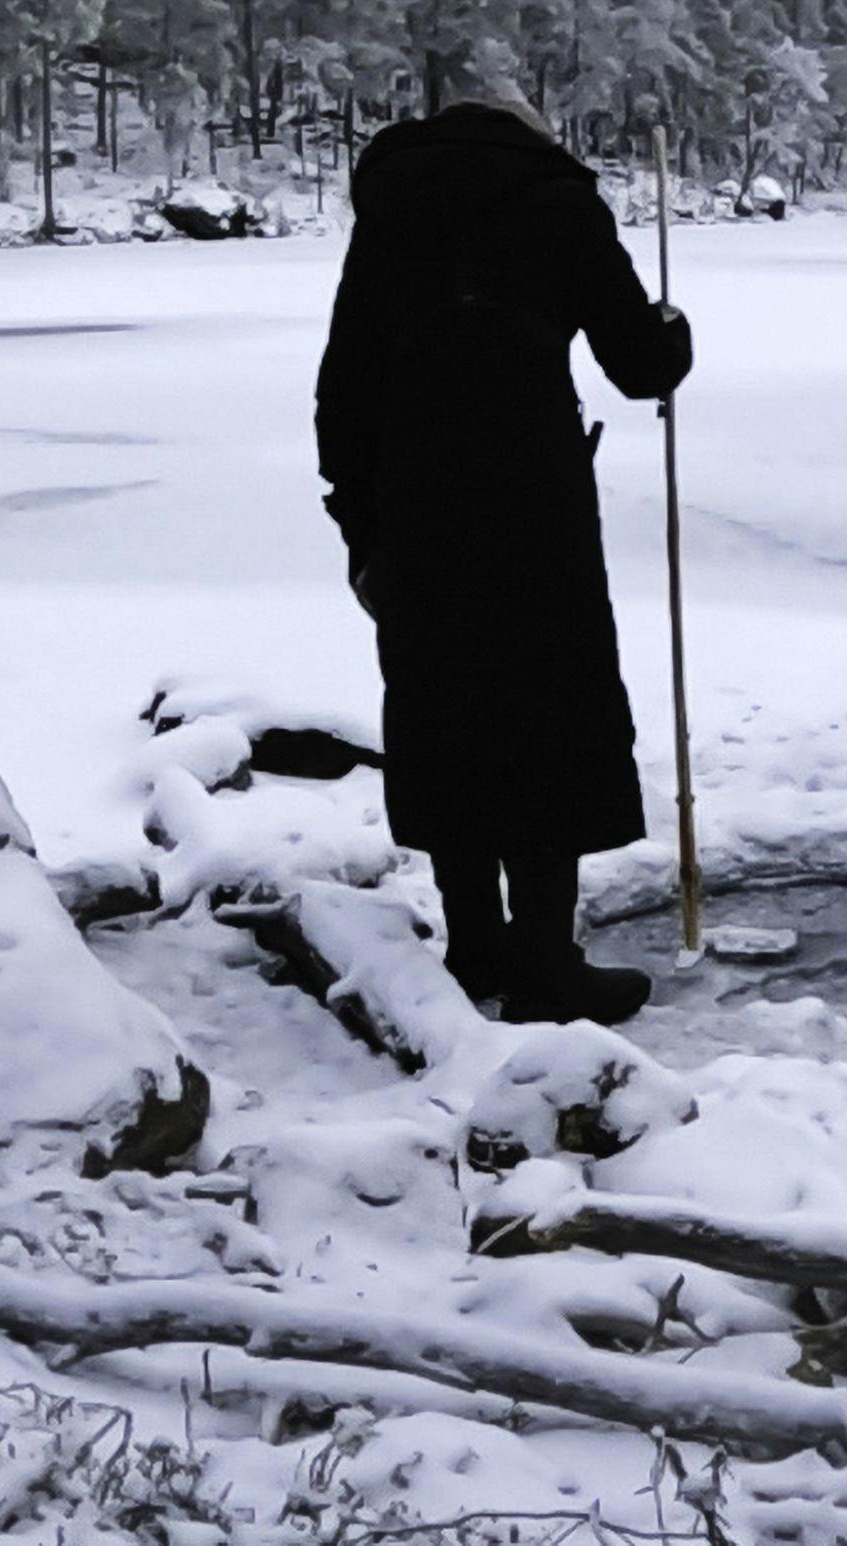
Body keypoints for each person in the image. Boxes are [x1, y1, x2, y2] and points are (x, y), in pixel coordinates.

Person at [315, 83, 690, 1024]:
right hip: (530, 500)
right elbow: (638, 362)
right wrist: (674, 337)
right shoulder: (556, 199)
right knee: (544, 711)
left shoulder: (391, 210)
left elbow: (345, 383)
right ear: (530, 137)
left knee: (446, 708)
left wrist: (359, 526)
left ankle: (475, 942)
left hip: (414, 500)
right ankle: (544, 961)